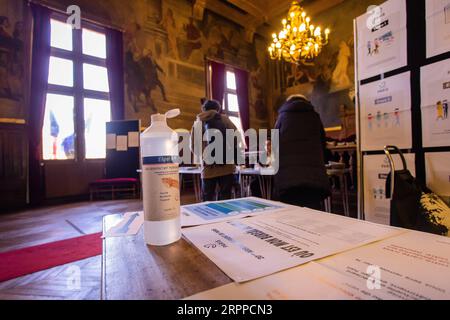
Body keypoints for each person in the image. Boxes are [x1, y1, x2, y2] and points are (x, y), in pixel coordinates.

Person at [274, 94, 331, 210]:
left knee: (290, 215)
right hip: (313, 179)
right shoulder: (314, 116)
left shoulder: (281, 118)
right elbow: (323, 144)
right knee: (314, 215)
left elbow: (275, 148)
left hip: (287, 179)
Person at [191, 99, 238, 201]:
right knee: (225, 198)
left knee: (207, 200)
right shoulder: (225, 119)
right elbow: (236, 138)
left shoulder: (198, 123)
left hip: (208, 168)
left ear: (204, 109)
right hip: (226, 166)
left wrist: (203, 157)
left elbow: (194, 146)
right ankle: (226, 217)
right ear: (217, 109)